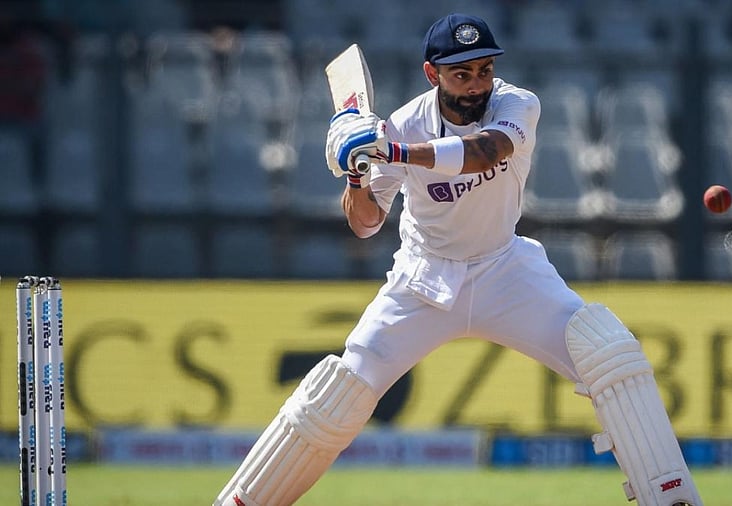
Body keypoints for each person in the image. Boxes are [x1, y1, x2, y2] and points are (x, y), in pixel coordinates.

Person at [214, 13, 702, 506]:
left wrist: (394, 150)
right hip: (423, 280)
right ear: (433, 75)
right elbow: (364, 225)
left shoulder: (516, 104)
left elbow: (484, 152)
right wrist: (357, 174)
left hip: (507, 272)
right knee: (336, 394)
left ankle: (671, 498)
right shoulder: (403, 123)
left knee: (610, 353)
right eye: (461, 75)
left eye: (484, 71)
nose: (476, 87)